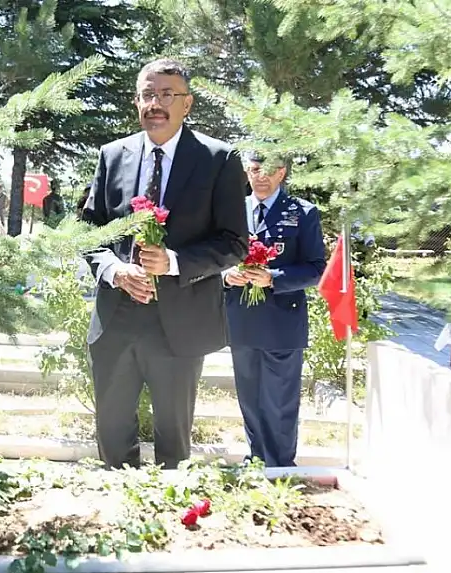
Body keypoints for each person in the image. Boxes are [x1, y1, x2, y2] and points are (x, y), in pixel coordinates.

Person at [81, 58, 249, 469]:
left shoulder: (219, 159)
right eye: (147, 94)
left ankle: (169, 521)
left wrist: (173, 261)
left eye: (166, 95)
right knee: (112, 436)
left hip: (180, 325)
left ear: (186, 104)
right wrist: (114, 270)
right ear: (136, 101)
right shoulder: (112, 155)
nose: (155, 104)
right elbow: (87, 230)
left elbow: (234, 243)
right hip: (116, 320)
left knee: (174, 444)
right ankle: (117, 517)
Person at [222, 154, 326, 467]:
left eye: (268, 171)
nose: (261, 177)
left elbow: (316, 268)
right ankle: (256, 459)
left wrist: (274, 279)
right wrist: (226, 275)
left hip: (282, 323)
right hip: (241, 320)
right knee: (250, 397)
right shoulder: (231, 211)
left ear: (281, 173)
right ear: (246, 173)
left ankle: (280, 465)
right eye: (254, 171)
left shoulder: (302, 212)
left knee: (279, 401)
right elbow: (214, 258)